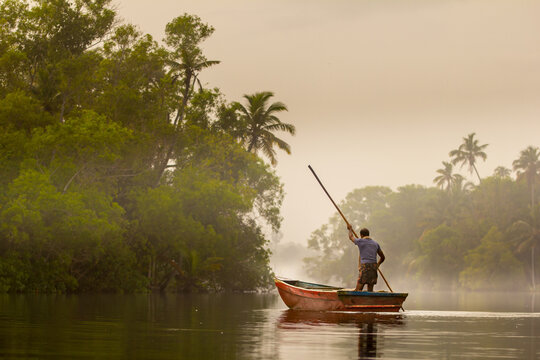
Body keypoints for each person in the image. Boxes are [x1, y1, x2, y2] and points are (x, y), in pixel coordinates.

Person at [347, 224, 385, 292]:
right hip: (373, 267)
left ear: (361, 235)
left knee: (358, 290)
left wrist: (350, 229)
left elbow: (351, 237)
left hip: (365, 267)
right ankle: (369, 301)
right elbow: (383, 257)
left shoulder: (360, 241)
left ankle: (356, 301)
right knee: (370, 291)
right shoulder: (376, 244)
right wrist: (377, 265)